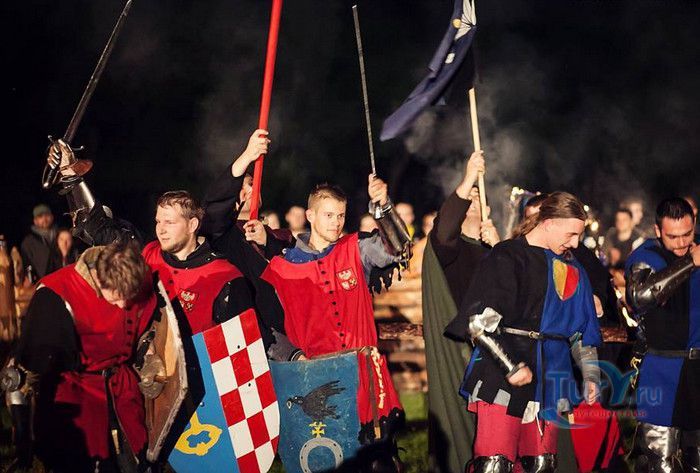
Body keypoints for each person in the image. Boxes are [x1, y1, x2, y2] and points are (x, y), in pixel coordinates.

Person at [446, 191, 601, 472]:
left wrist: (590, 373)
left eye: (579, 235)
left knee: (540, 465)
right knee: (494, 464)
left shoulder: (572, 267)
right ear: (549, 223)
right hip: (501, 372)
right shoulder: (507, 255)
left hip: (551, 376)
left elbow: (580, 329)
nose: (575, 243)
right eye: (571, 234)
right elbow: (479, 323)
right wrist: (510, 367)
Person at [260, 176, 407, 470]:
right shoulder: (280, 268)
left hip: (364, 377)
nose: (336, 223)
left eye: (340, 215)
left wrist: (384, 207)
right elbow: (270, 328)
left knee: (378, 462)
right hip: (316, 381)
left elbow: (397, 248)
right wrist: (293, 357)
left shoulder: (357, 249)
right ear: (310, 215)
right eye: (328, 215)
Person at [10, 241, 157, 472]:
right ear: (99, 279)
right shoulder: (55, 294)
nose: (123, 305)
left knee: (136, 464)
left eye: (129, 297)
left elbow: (147, 324)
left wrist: (148, 351)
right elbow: (25, 371)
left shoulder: (136, 277)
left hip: (122, 392)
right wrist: (22, 431)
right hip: (77, 394)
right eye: (116, 296)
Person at [421, 151, 498, 473]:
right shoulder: (449, 248)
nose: (474, 202)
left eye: (479, 200)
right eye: (469, 200)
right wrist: (468, 179)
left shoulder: (495, 250)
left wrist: (500, 247)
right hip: (464, 352)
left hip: (500, 353)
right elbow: (444, 228)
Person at [625, 197, 700, 472]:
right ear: (658, 230)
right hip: (662, 369)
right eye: (672, 236)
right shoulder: (646, 256)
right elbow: (639, 297)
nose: (681, 243)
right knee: (659, 462)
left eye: (687, 234)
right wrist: (690, 262)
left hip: (698, 370)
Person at [20, 204, 62, 280]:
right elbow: (25, 263)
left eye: (47, 215)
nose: (44, 219)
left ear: (52, 217)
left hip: (62, 277)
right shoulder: (28, 242)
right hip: (41, 282)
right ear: (35, 221)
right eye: (40, 217)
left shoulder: (62, 235)